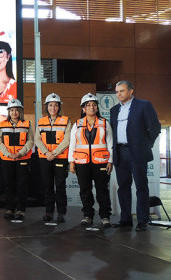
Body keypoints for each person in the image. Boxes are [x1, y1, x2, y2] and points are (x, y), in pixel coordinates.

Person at [110, 80, 161, 232]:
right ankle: (125, 219)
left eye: (122, 91)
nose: (119, 94)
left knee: (141, 187)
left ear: (131, 91)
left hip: (137, 153)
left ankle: (142, 220)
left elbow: (155, 127)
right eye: (117, 91)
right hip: (120, 152)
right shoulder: (114, 110)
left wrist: (146, 144)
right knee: (123, 187)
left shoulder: (144, 105)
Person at [68, 93, 113, 228]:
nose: (91, 107)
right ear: (83, 108)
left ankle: (105, 216)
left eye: (94, 105)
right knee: (85, 190)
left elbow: (110, 143)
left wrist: (110, 161)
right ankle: (88, 215)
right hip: (82, 163)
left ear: (97, 108)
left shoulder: (105, 123)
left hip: (101, 162)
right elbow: (72, 144)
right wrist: (71, 161)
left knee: (102, 190)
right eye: (88, 105)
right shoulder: (77, 124)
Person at [35, 93, 72, 223]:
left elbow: (67, 140)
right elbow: (37, 139)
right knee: (47, 186)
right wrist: (46, 153)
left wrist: (54, 153)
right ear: (47, 107)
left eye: (56, 105)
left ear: (59, 107)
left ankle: (61, 213)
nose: (53, 108)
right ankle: (49, 211)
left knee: (60, 185)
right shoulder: (41, 121)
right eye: (50, 105)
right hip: (45, 158)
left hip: (60, 157)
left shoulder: (66, 121)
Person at [0, 99, 34, 221]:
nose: (14, 113)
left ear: (20, 111)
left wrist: (20, 153)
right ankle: (10, 209)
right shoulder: (2, 124)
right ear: (8, 112)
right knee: (9, 185)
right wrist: (8, 154)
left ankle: (20, 210)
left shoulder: (27, 124)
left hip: (22, 158)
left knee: (21, 185)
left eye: (16, 110)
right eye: (11, 110)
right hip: (7, 159)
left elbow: (30, 141)